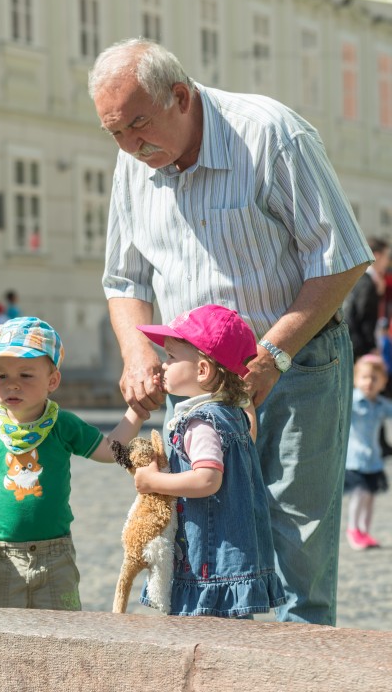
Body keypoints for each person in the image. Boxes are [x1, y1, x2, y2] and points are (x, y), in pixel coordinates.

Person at [88, 38, 373, 625]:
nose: (131, 146)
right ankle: (210, 665)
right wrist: (137, 353)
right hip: (195, 384)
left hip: (294, 363)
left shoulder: (270, 134)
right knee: (203, 542)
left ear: (181, 96)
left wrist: (273, 354)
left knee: (297, 547)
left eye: (138, 125)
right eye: (115, 132)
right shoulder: (133, 160)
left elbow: (341, 258)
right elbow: (125, 277)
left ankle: (300, 666)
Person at [0, 316, 143, 610]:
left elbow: (110, 451)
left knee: (62, 631)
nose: (12, 384)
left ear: (52, 381)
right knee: (1, 632)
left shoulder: (63, 425)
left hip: (55, 557)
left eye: (25, 375)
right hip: (2, 559)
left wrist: (136, 412)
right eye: (1, 376)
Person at [134, 304, 286, 618]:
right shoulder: (232, 414)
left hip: (209, 565)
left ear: (202, 370)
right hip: (230, 562)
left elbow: (207, 479)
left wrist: (152, 481)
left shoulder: (201, 422)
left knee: (201, 633)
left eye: (171, 357)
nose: (164, 365)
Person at [344, 354, 391, 550]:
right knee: (359, 494)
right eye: (364, 377)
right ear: (355, 379)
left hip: (373, 459)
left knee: (370, 496)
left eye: (374, 378)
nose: (369, 382)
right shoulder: (352, 401)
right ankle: (353, 529)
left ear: (383, 382)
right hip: (355, 460)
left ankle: (364, 531)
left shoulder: (381, 404)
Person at [343, 237, 390, 360]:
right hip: (360, 348)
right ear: (377, 256)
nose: (388, 261)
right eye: (386, 257)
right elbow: (364, 317)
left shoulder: (365, 279)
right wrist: (371, 347)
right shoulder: (366, 283)